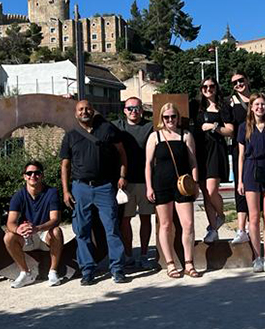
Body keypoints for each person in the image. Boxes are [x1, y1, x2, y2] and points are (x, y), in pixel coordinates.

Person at [60, 99, 130, 285]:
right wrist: (66, 190)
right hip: (80, 187)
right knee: (82, 230)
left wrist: (122, 176)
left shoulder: (107, 130)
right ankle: (88, 270)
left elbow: (122, 154)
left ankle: (117, 269)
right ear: (76, 114)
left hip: (105, 187)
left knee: (111, 228)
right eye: (81, 109)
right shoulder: (71, 136)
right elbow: (65, 165)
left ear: (93, 111)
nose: (84, 111)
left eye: (87, 108)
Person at [145, 102, 201, 278]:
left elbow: (193, 162)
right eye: (166, 117)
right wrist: (149, 186)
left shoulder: (186, 135)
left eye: (173, 116)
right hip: (161, 184)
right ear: (162, 118)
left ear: (178, 117)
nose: (170, 120)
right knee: (166, 224)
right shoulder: (155, 137)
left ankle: (189, 263)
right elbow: (148, 164)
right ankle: (169, 263)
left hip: (182, 185)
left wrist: (196, 183)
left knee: (188, 224)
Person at [237, 93, 265, 272]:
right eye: (256, 104)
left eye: (263, 104)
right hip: (250, 170)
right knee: (254, 217)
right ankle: (256, 257)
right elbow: (241, 156)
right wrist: (240, 180)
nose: (260, 107)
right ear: (251, 107)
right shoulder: (244, 128)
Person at [4, 161, 65, 288]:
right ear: (24, 176)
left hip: (44, 233)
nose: (33, 176)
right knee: (8, 237)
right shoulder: (18, 196)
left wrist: (37, 228)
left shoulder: (51, 192)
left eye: (37, 173)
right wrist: (18, 229)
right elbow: (10, 222)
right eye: (29, 173)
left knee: (57, 231)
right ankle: (25, 273)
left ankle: (53, 272)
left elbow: (55, 219)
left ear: (42, 175)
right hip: (27, 236)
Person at [114, 97, 156, 269]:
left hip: (146, 181)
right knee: (125, 220)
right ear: (124, 110)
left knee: (146, 219)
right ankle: (129, 254)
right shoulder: (117, 127)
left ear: (142, 109)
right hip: (125, 182)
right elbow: (94, 121)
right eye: (130, 108)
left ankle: (144, 255)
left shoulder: (150, 127)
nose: (133, 111)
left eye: (137, 108)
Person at [196, 77, 235, 244]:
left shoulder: (223, 107)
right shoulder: (197, 107)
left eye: (211, 86)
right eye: (205, 86)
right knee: (205, 193)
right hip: (200, 152)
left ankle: (221, 215)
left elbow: (231, 131)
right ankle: (213, 228)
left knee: (212, 190)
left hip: (215, 151)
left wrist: (214, 127)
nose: (208, 89)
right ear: (201, 89)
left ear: (216, 88)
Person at [228, 72, 252, 244]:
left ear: (247, 80)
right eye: (234, 83)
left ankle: (253, 226)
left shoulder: (257, 99)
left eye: (240, 81)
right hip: (240, 149)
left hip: (259, 148)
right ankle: (241, 228)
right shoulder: (230, 103)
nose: (238, 84)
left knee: (257, 189)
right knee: (240, 188)